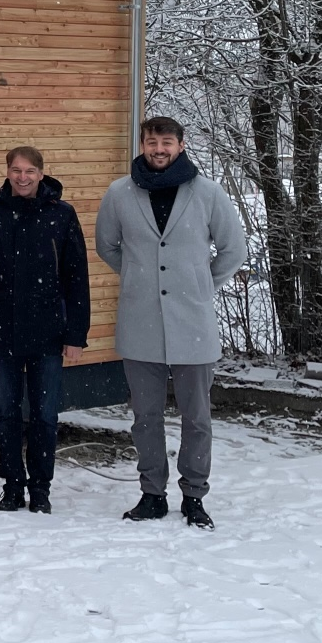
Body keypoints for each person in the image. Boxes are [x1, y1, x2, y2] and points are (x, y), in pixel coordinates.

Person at [95, 116, 247, 529]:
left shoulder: (207, 193)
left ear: (180, 145)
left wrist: (198, 284)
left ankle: (194, 496)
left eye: (166, 142)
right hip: (139, 321)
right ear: (142, 144)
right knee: (145, 416)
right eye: (151, 142)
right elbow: (106, 244)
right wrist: (138, 277)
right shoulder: (119, 193)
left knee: (197, 418)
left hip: (192, 323)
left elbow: (233, 249)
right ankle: (152, 494)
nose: (158, 149)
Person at [0, 146, 91, 514]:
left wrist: (75, 334)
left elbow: (76, 278)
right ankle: (12, 486)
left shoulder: (61, 215)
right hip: (0, 330)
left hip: (48, 332)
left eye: (30, 171)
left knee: (46, 415)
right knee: (6, 413)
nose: (22, 177)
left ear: (41, 173)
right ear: (7, 172)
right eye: (16, 170)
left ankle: (41, 489)